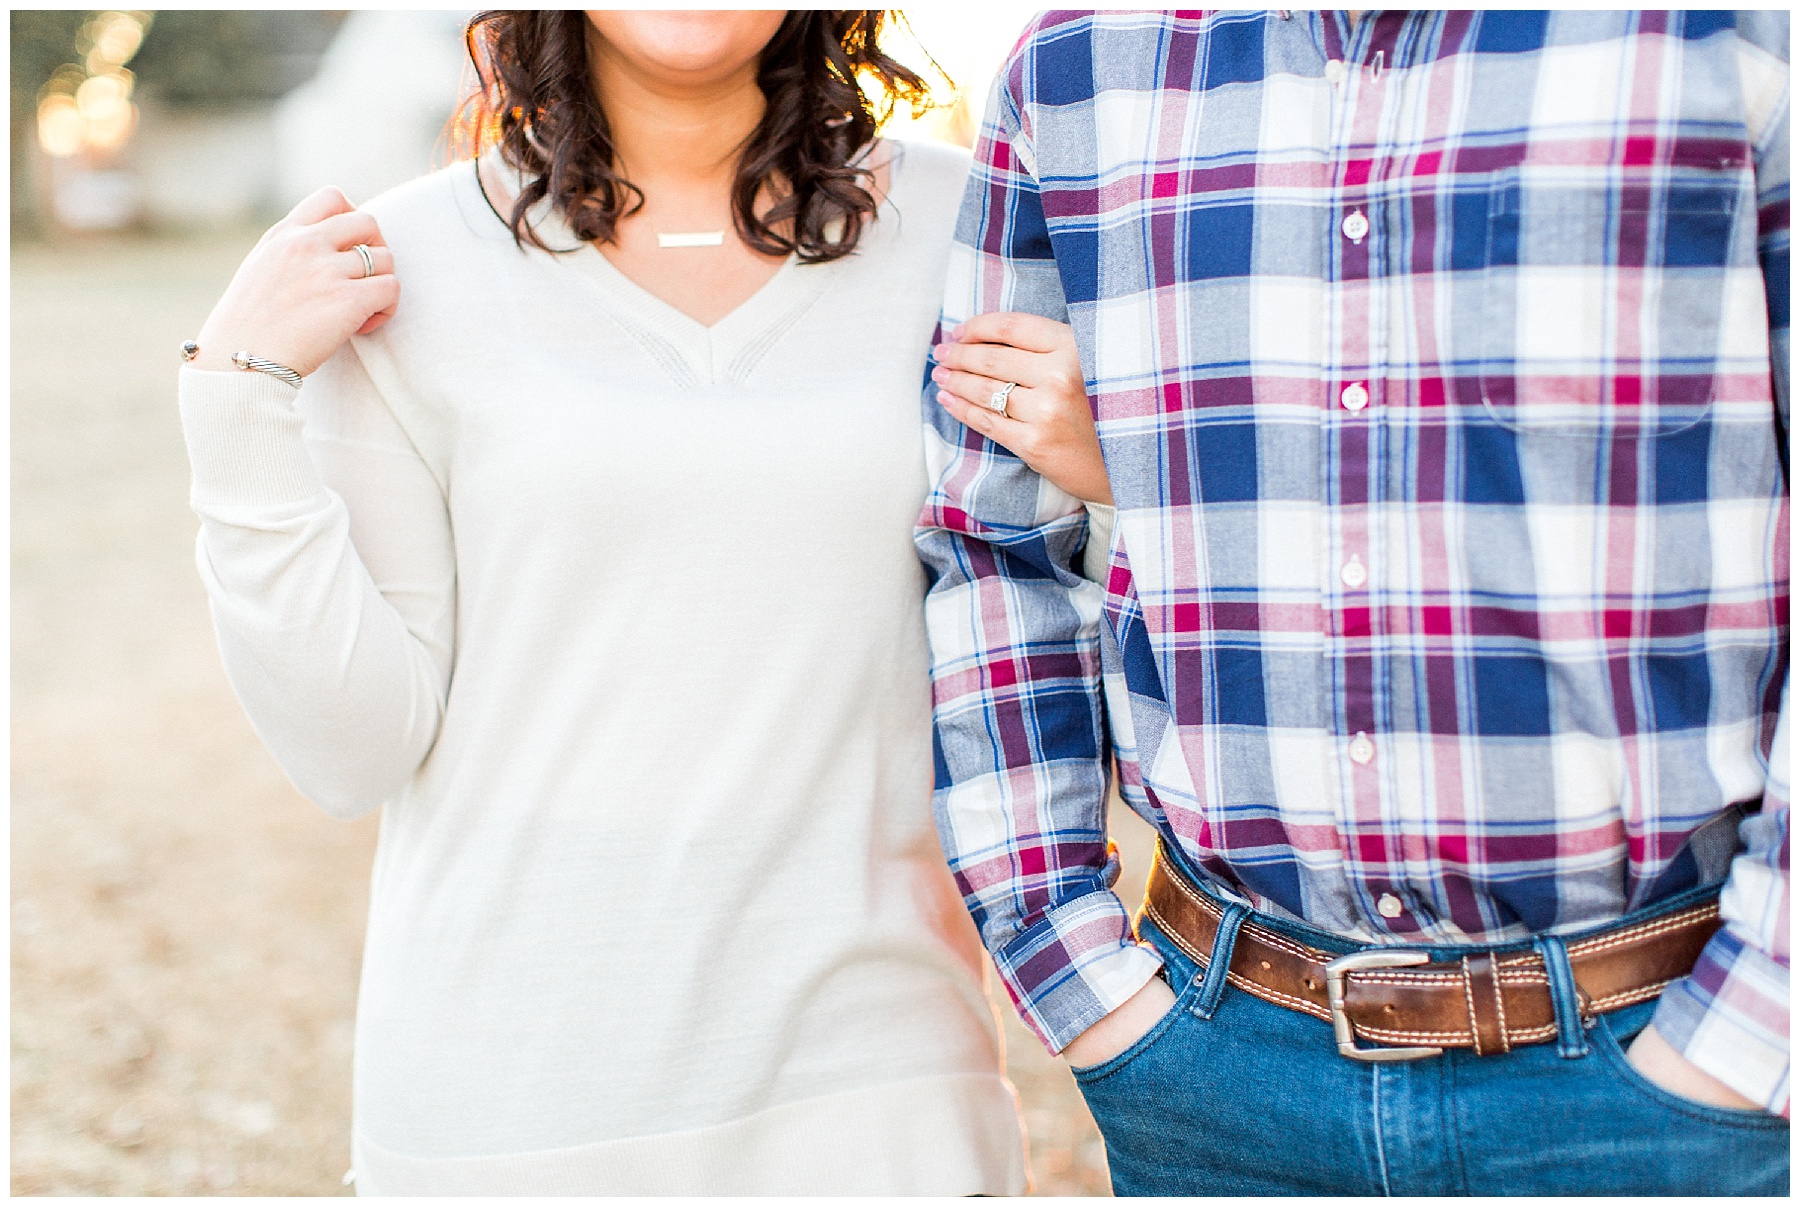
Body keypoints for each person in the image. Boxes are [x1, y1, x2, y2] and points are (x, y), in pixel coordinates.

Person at [174, 10, 1102, 1195]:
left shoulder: (972, 232)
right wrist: (237, 407)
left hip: (883, 1102)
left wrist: (1115, 478)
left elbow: (1079, 646)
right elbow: (352, 753)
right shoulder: (402, 265)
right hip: (508, 1116)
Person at [918, 9, 1789, 1195]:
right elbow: (993, 539)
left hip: (1663, 1079)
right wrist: (1075, 968)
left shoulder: (1728, 38)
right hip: (1216, 1085)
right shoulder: (1077, 74)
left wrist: (1750, 1037)